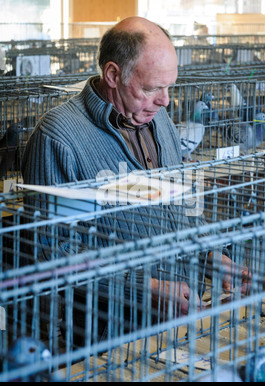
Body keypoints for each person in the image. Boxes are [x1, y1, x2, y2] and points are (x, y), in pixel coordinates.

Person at [21, 17, 250, 334]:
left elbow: (179, 206)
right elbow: (57, 252)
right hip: (107, 331)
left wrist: (210, 254)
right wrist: (146, 287)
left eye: (169, 86)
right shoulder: (60, 138)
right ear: (113, 74)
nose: (165, 100)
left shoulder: (159, 118)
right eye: (151, 88)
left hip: (174, 320)